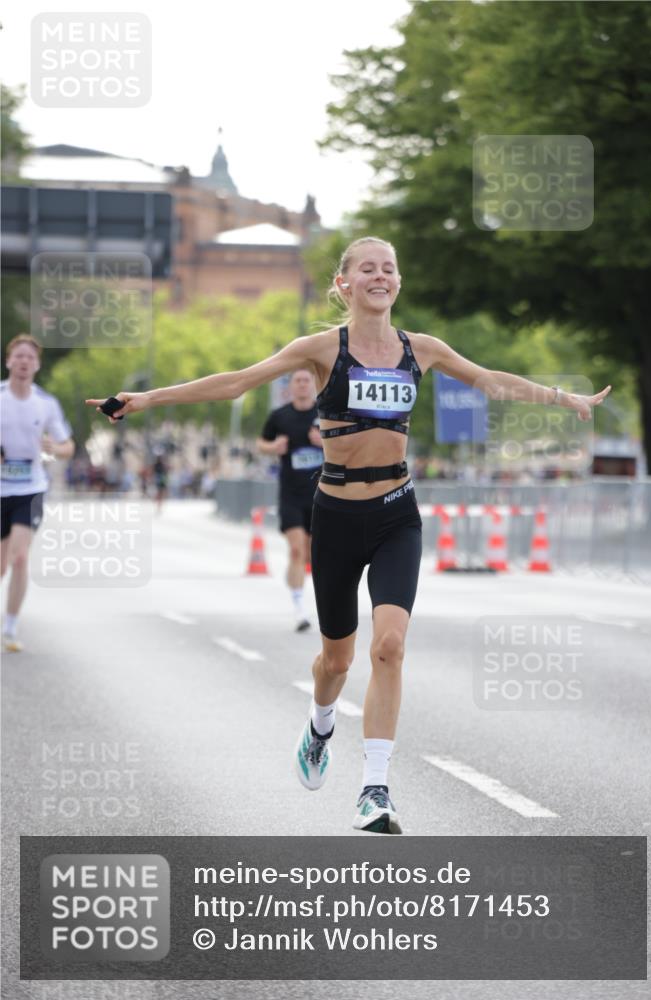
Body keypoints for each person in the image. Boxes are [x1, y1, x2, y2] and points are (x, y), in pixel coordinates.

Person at [87, 236, 612, 833]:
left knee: (389, 646)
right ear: (345, 284)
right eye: (367, 268)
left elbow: (490, 380)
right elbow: (237, 382)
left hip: (395, 513)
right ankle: (319, 727)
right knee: (335, 661)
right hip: (335, 517)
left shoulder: (421, 349)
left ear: (398, 282)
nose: (380, 276)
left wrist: (564, 398)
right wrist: (146, 399)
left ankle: (375, 789)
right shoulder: (320, 350)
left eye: (389, 268)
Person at [1, 334, 74, 652]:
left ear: (37, 365)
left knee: (19, 557)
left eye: (30, 357)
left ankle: (10, 627)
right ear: (8, 361)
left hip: (30, 488)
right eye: (18, 356)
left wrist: (54, 448)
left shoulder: (46, 403)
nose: (24, 361)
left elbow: (68, 446)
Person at [257, 369, 323, 632]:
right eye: (298, 381)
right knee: (296, 550)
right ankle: (299, 609)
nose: (303, 385)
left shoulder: (325, 413)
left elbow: (347, 444)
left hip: (321, 495)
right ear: (291, 386)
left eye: (307, 381)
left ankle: (311, 599)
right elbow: (261, 443)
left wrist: (324, 443)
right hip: (291, 495)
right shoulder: (280, 416)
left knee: (313, 554)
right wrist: (273, 448)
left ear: (313, 385)